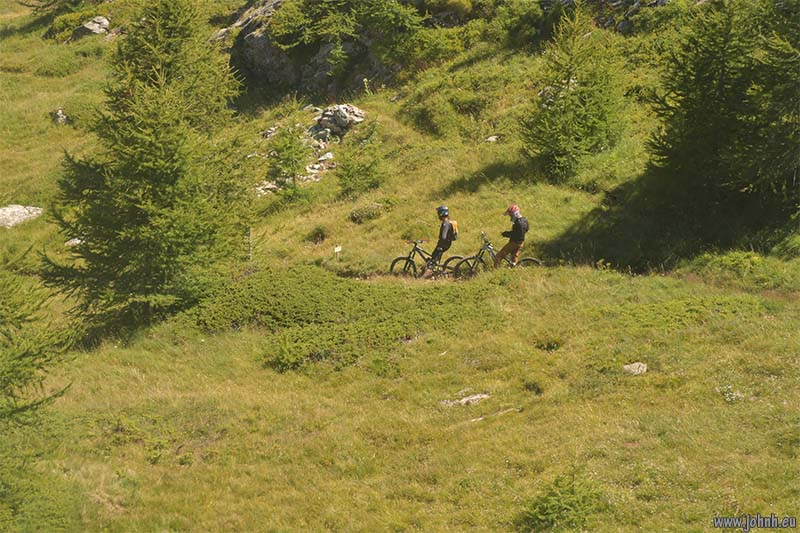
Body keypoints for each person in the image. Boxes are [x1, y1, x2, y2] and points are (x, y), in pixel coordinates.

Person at [423, 205, 456, 278]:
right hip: (446, 244)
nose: (438, 215)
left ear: (441, 213)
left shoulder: (445, 223)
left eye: (438, 213)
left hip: (443, 244)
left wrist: (440, 246)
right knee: (434, 257)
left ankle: (425, 276)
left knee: (433, 260)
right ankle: (434, 272)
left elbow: (443, 237)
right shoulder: (448, 221)